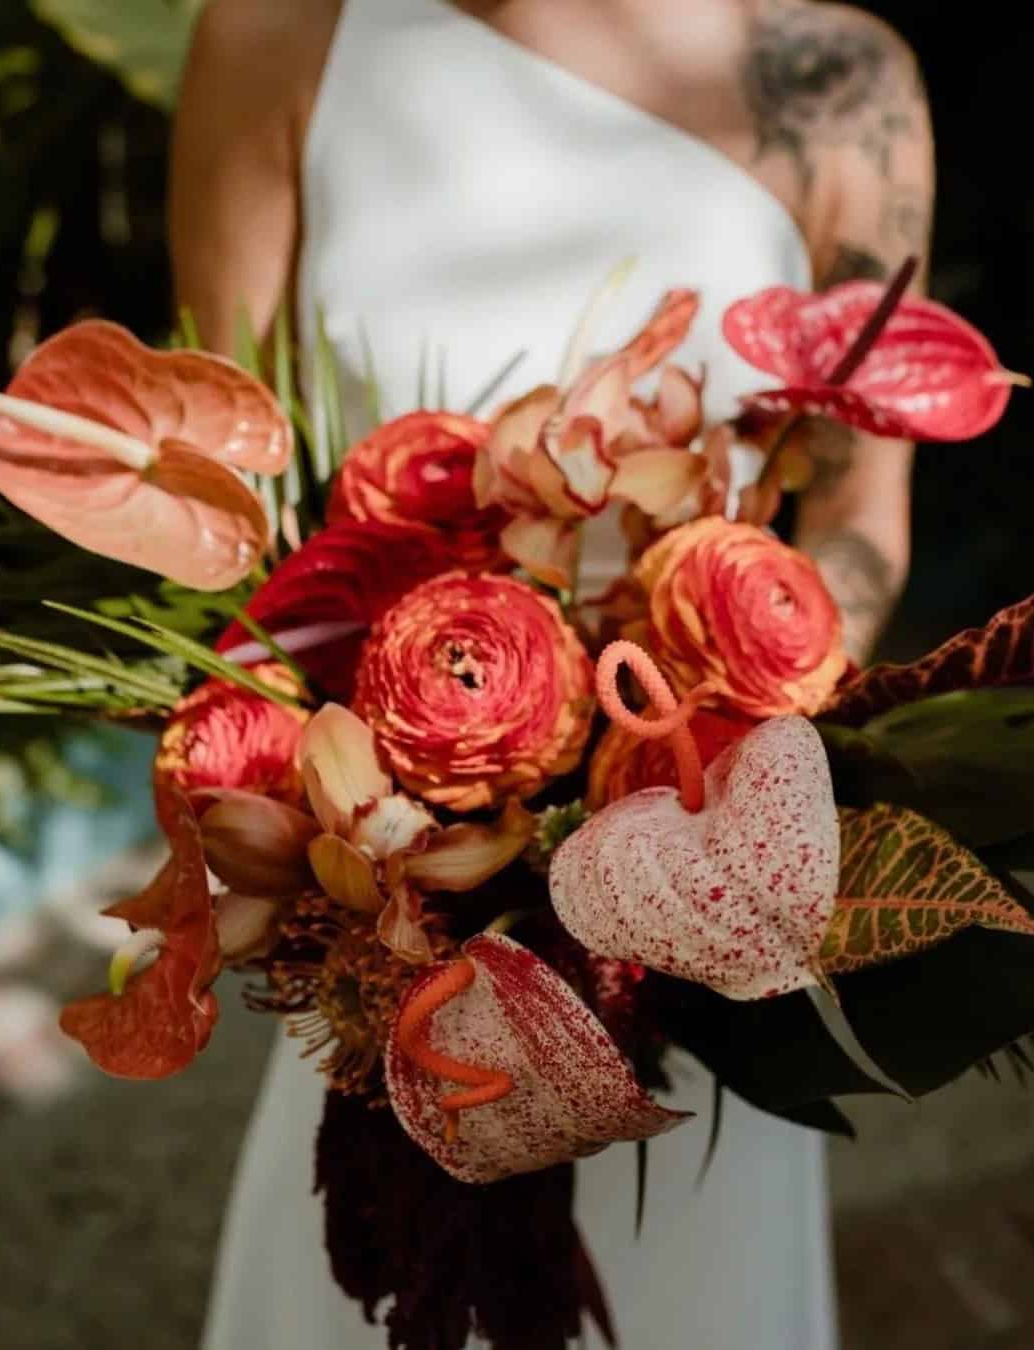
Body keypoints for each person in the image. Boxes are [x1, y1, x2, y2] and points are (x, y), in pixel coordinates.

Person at [171, 1, 934, 1345]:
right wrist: (381, 844)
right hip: (397, 904)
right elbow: (227, 503)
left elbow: (862, 516)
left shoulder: (837, 82)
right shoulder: (285, 31)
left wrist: (717, 791)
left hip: (689, 894)